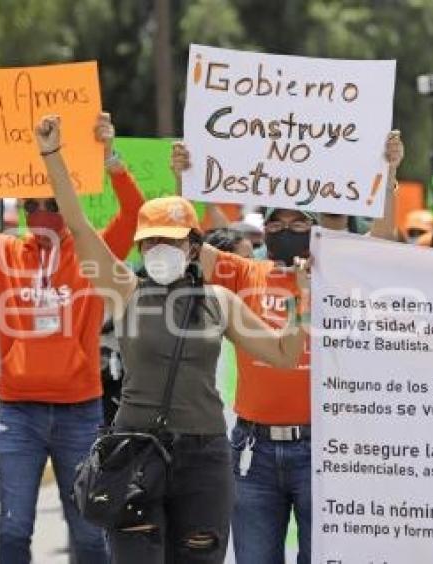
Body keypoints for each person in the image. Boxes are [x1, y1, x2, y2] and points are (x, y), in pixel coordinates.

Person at [35, 114, 308, 562]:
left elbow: (283, 353)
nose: (158, 249)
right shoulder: (125, 289)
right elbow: (79, 225)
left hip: (204, 459)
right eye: (150, 241)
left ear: (193, 248)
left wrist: (303, 302)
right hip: (133, 453)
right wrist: (52, 155)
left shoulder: (218, 300)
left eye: (171, 240)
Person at [0, 111, 144, 564]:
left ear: (69, 204)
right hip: (18, 411)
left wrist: (111, 158)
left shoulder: (91, 251)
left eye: (53, 205)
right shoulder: (3, 251)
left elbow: (135, 214)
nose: (41, 213)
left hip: (79, 410)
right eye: (31, 206)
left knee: (85, 529)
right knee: (15, 529)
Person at [171, 132, 403, 564]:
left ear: (316, 227)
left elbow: (384, 235)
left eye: (299, 222)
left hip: (324, 445)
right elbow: (194, 249)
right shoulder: (245, 271)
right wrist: (188, 179)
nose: (286, 230)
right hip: (253, 450)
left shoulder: (339, 268)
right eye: (275, 223)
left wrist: (390, 171)